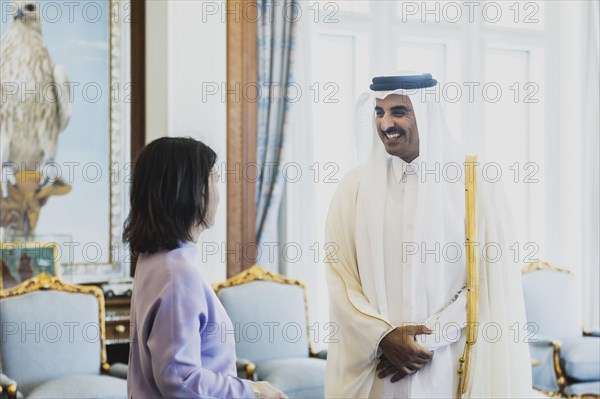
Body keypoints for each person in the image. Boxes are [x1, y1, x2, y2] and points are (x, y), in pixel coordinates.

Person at [324, 74, 533, 397]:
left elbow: (490, 278)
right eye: (378, 113)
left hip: (447, 360)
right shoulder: (354, 187)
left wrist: (424, 340)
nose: (385, 124)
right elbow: (340, 276)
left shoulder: (476, 183)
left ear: (427, 114)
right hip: (376, 363)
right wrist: (383, 337)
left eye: (398, 111)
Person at [124, 137, 287, 399]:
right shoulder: (177, 274)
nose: (219, 194)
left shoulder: (153, 261)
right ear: (191, 190)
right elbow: (179, 379)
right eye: (215, 180)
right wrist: (254, 391)